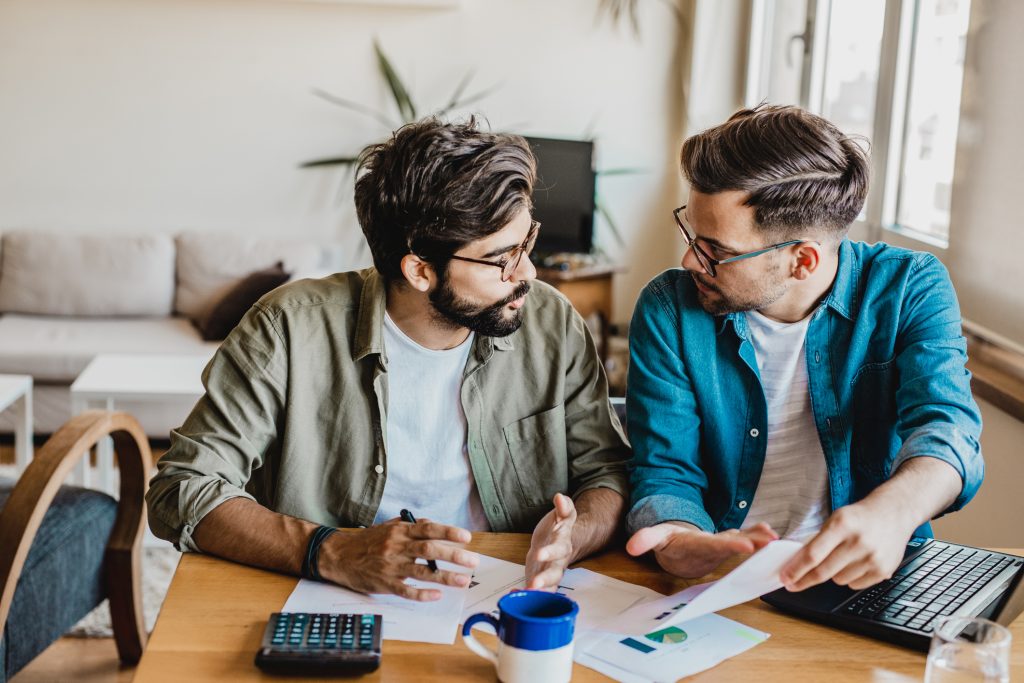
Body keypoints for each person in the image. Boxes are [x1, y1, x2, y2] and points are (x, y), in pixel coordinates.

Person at [146, 117, 629, 600]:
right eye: (502, 258)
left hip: (506, 592)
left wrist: (574, 536)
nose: (527, 271)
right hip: (332, 595)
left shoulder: (552, 323)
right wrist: (330, 551)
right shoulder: (287, 328)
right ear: (420, 271)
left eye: (528, 241)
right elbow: (183, 487)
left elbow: (605, 470)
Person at [624, 104, 983, 593]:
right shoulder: (669, 309)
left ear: (803, 260)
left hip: (867, 579)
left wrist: (893, 514)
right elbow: (665, 469)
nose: (689, 259)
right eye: (691, 233)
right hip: (720, 582)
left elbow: (948, 428)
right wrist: (680, 537)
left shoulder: (909, 287)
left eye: (718, 252)